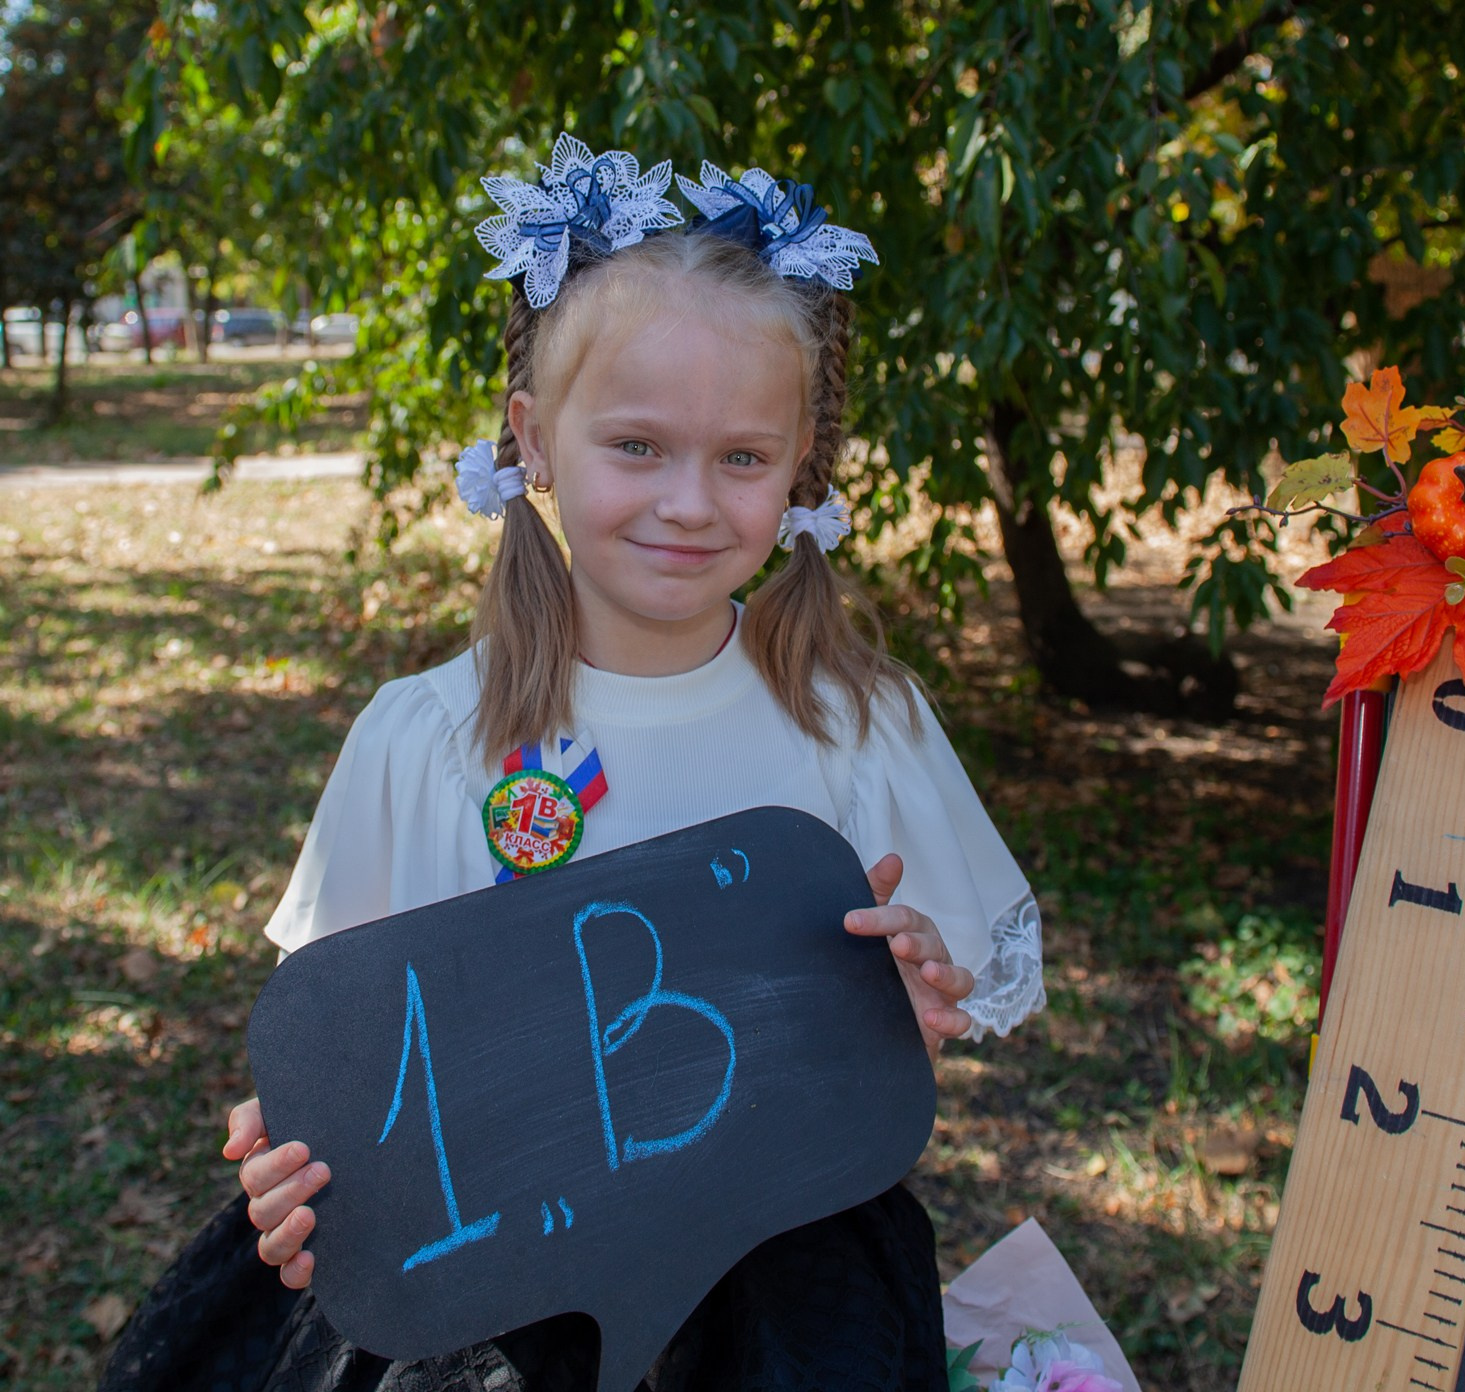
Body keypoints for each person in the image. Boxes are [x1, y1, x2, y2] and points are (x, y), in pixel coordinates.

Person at [101, 135, 1046, 1392]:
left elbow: (924, 1027)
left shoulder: (858, 725)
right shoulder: (429, 738)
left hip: (783, 1286)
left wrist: (907, 987)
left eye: (742, 457)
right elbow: (351, 1053)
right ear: (534, 438)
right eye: (637, 446)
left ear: (802, 462)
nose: (690, 503)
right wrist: (292, 1159)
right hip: (484, 1299)